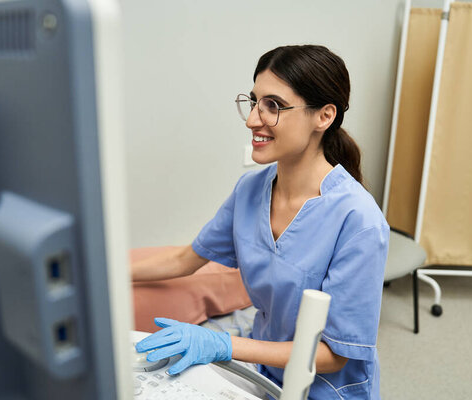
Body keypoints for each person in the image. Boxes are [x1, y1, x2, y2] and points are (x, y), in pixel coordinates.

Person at [131, 44, 389, 400]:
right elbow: (184, 260)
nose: (253, 119)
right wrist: (103, 275)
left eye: (274, 106)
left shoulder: (358, 221)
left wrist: (222, 344)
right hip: (266, 370)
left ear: (324, 117)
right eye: (254, 102)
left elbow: (334, 355)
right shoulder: (251, 190)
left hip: (326, 389)